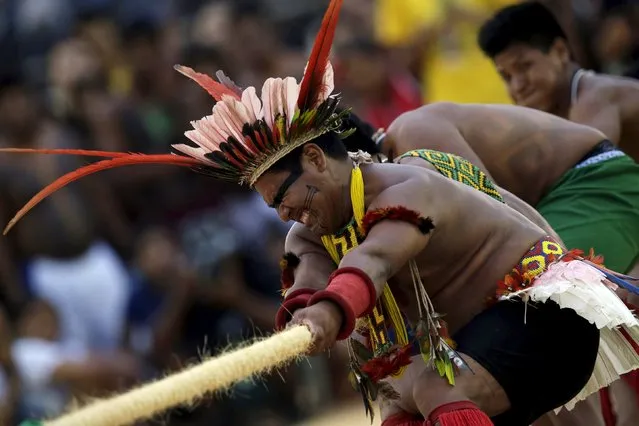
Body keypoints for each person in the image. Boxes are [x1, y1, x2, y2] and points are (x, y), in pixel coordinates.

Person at [1, 1, 639, 425]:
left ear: (316, 163)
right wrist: (303, 312)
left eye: (287, 196)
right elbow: (305, 266)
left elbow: (379, 253)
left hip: (545, 312)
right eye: (273, 207)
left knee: (438, 389)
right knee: (403, 402)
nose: (287, 215)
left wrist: (334, 307)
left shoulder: (406, 180)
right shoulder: (313, 228)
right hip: (478, 334)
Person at [346, 102, 639, 426]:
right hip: (543, 218)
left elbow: (501, 209)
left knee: (520, 334)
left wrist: (569, 274)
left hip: (588, 183)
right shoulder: (382, 207)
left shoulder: (413, 142)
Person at [477, 1, 639, 163]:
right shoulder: (554, 113)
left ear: (560, 52)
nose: (518, 86)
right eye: (507, 77)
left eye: (524, 67)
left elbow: (585, 176)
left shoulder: (595, 98)